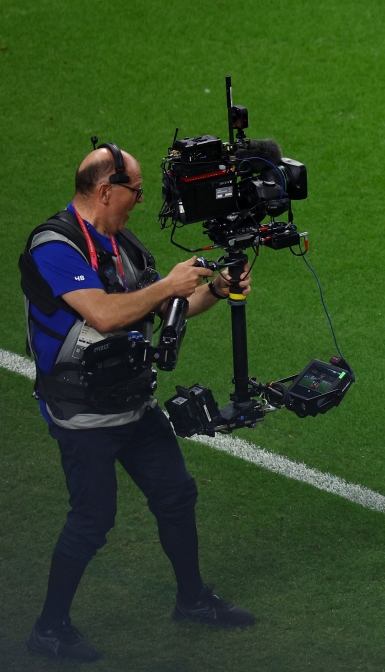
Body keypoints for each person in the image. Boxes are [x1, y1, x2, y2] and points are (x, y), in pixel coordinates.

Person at [19, 145, 256, 662]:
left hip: (134, 403)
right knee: (92, 520)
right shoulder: (53, 246)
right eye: (137, 191)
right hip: (83, 415)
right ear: (105, 189)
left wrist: (214, 288)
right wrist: (168, 285)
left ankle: (191, 600)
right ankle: (49, 628)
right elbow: (104, 315)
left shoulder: (120, 242)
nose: (143, 201)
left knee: (176, 495)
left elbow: (164, 307)